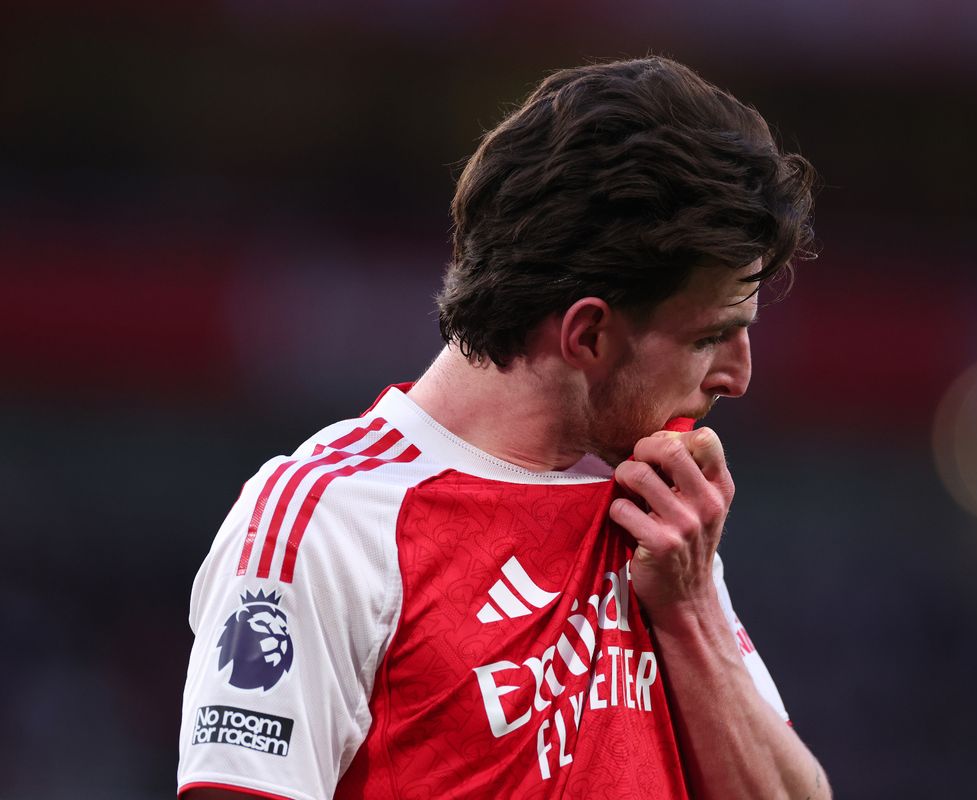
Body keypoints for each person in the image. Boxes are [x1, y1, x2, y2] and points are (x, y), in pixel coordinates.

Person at [178, 56, 829, 800]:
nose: (738, 376)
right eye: (711, 336)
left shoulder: (660, 517)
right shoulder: (328, 526)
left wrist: (691, 612)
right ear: (588, 335)